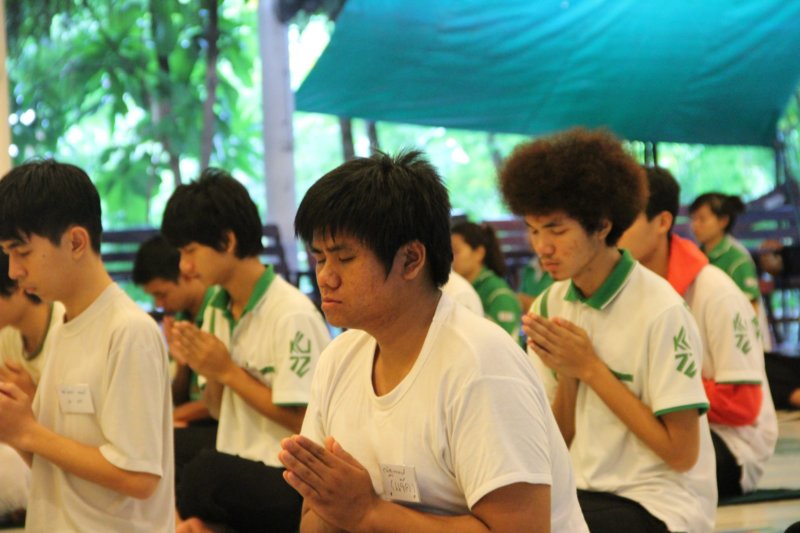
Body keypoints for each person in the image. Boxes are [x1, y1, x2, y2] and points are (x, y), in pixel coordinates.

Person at [280, 150, 588, 532]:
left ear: (411, 260)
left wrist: (369, 513)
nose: (326, 277)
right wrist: (341, 507)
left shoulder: (481, 364)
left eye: (344, 258)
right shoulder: (338, 359)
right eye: (319, 258)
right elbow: (314, 517)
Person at [499, 128, 716, 533]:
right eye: (533, 230)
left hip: (661, 501)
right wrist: (568, 375)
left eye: (556, 230)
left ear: (601, 226)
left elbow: (682, 454)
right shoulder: (549, 305)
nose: (542, 247)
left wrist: (590, 368)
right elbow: (556, 440)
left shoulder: (662, 310)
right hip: (582, 491)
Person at [0, 160, 174, 532]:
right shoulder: (64, 329)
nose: (13, 270)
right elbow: (55, 465)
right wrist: (15, 426)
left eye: (22, 252)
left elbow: (139, 478)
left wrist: (28, 431)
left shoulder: (129, 332)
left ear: (76, 242)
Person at [161, 168, 331, 533]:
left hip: (289, 474)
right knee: (167, 446)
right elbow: (216, 410)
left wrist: (227, 371)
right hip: (239, 459)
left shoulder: (291, 313)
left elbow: (305, 424)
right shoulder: (216, 307)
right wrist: (206, 368)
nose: (184, 266)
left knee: (206, 473)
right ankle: (195, 524)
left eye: (190, 251)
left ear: (227, 241)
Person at [619, 166, 777, 499]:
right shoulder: (624, 289)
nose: (612, 231)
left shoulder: (715, 291)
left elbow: (743, 404)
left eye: (626, 219)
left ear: (662, 222)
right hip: (663, 428)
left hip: (731, 442)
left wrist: (659, 389)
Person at [132, 235, 219, 486]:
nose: (160, 304)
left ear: (185, 275)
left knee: (157, 441)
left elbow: (218, 401)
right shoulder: (180, 318)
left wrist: (169, 417)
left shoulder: (217, 309)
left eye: (162, 294)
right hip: (196, 421)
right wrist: (181, 363)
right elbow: (180, 396)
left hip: (220, 423)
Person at [0, 252, 64, 523]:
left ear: (16, 286)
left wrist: (32, 395)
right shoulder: (7, 336)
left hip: (59, 461)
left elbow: (77, 431)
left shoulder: (65, 328)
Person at [689, 192, 772, 350]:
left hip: (738, 342)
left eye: (702, 219)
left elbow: (751, 306)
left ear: (723, 221)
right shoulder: (697, 255)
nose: (695, 225)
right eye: (693, 219)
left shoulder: (737, 258)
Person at [451, 221, 522, 337]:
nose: (450, 258)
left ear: (479, 253)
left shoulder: (498, 294)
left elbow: (503, 343)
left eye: (456, 251)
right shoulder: (457, 289)